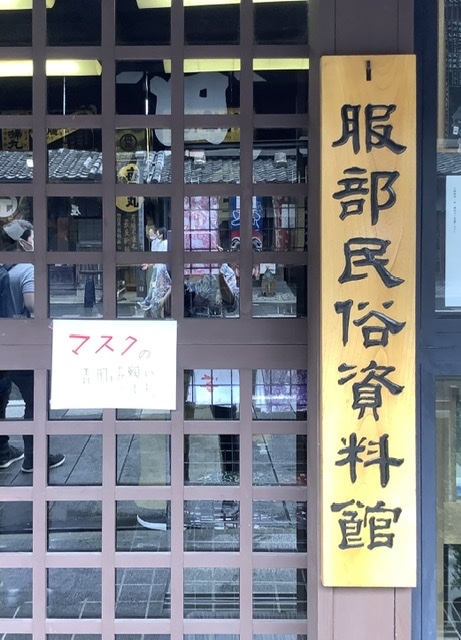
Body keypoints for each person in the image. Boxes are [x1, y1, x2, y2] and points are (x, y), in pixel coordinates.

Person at [0, 220, 65, 472]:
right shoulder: (26, 268)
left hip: (2, 342)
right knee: (35, 399)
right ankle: (34, 458)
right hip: (22, 344)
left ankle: (3, 452)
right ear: (22, 242)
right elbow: (32, 305)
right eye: (33, 238)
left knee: (1, 396)